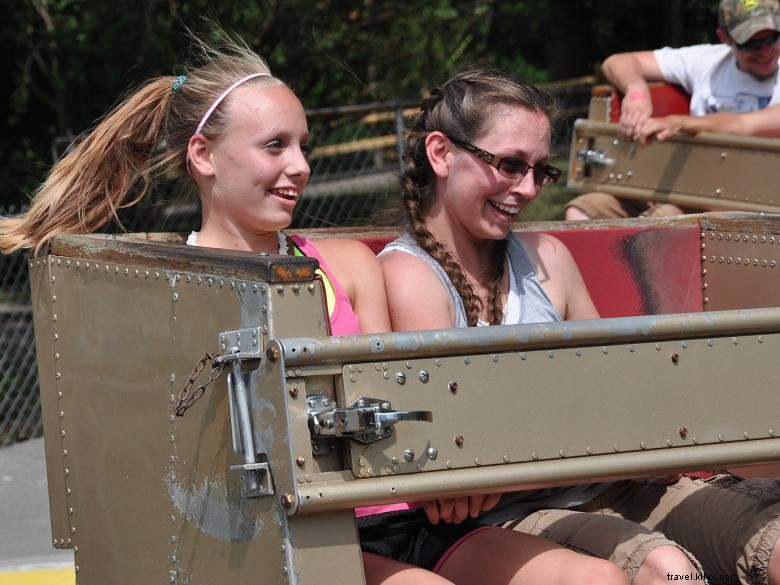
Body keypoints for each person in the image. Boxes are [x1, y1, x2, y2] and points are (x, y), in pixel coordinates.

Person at [0, 32, 626, 585]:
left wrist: (450, 479)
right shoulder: (170, 291)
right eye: (274, 146)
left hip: (398, 522)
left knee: (594, 579)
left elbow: (402, 402)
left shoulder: (347, 265)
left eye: (302, 145)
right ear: (203, 156)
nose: (299, 167)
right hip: (277, 540)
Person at [379, 67, 780, 585]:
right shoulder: (411, 278)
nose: (526, 189)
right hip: (513, 517)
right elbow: (456, 456)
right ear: (441, 154)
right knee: (667, 571)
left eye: (540, 170)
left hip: (620, 484)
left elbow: (613, 382)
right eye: (508, 164)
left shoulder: (549, 259)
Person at [565, 0, 780, 220]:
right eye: (750, 43)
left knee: (663, 222)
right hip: (684, 183)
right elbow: (616, 62)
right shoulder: (708, 61)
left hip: (754, 196)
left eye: (772, 38)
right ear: (725, 37)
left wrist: (679, 123)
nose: (765, 51)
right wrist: (636, 91)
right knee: (583, 211)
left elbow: (744, 125)